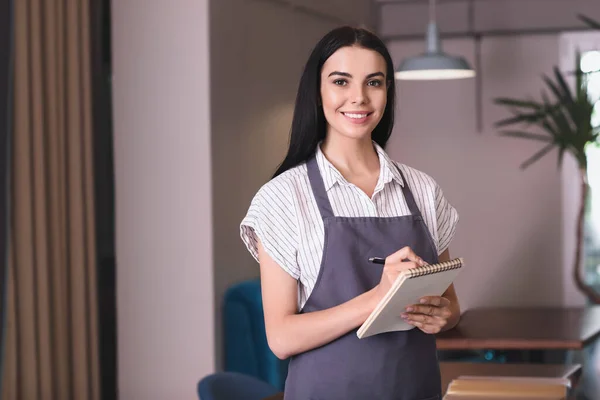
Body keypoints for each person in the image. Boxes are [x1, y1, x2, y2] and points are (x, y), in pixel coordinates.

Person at [240, 26, 461, 400]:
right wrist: (376, 299)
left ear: (387, 92)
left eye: (373, 83)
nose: (358, 98)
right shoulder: (281, 198)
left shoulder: (423, 190)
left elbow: (451, 306)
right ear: (318, 90)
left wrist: (444, 315)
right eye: (341, 81)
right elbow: (280, 337)